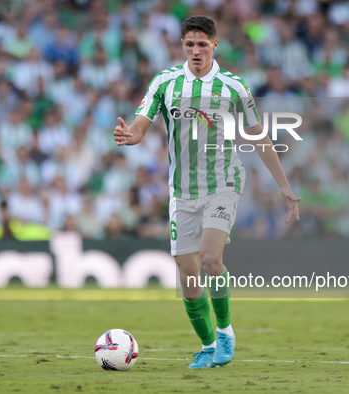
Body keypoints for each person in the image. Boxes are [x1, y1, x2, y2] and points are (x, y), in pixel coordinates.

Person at [113, 16, 301, 369]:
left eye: (202, 44)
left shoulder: (234, 88)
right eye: (189, 45)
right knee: (187, 275)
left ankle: (226, 332)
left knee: (211, 259)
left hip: (223, 184)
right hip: (182, 192)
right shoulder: (165, 83)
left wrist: (284, 187)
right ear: (182, 46)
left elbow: (260, 137)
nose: (195, 51)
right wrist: (130, 136)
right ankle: (208, 344)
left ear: (215, 45)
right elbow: (140, 126)